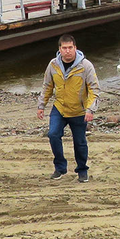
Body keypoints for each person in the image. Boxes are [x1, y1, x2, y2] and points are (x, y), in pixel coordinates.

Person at [36, 35, 98, 183]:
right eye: (64, 48)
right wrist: (41, 106)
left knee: (80, 142)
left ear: (75, 48)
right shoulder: (53, 65)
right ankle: (60, 168)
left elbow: (94, 89)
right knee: (53, 135)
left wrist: (90, 110)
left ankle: (82, 170)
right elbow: (47, 86)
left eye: (70, 47)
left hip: (78, 110)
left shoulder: (85, 66)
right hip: (59, 108)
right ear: (60, 50)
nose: (68, 51)